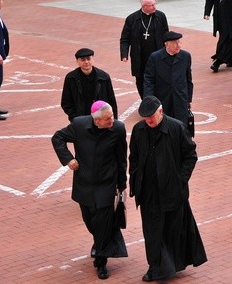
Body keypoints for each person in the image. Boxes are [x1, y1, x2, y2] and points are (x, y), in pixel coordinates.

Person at [129, 96, 207, 281]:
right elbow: (134, 157)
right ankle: (155, 267)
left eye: (151, 117)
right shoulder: (138, 130)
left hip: (172, 191)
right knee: (152, 232)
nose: (148, 121)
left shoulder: (176, 128)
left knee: (172, 230)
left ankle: (172, 265)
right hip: (148, 192)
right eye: (145, 118)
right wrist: (135, 178)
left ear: (160, 112)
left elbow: (190, 156)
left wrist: (180, 180)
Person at [51, 101, 128, 280]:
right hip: (84, 184)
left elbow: (121, 157)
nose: (112, 120)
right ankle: (99, 244)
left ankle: (101, 262)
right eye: (108, 119)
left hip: (106, 184)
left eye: (112, 117)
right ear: (96, 120)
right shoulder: (78, 125)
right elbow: (57, 138)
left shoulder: (117, 129)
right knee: (90, 222)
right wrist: (68, 159)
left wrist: (122, 184)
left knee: (103, 223)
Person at [119, 0, 169, 98]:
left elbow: (166, 35)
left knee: (159, 78)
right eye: (152, 5)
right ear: (144, 6)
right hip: (140, 56)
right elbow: (125, 38)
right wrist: (124, 54)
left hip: (157, 55)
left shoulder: (160, 16)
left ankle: (157, 101)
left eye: (155, 4)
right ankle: (145, 101)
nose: (155, 7)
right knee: (141, 80)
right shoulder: (132, 19)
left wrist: (168, 50)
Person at [143, 31, 193, 124]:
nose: (178, 45)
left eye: (179, 42)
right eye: (175, 43)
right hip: (163, 99)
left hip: (180, 99)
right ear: (166, 44)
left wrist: (188, 99)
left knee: (181, 127)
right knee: (164, 125)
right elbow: (148, 80)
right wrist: (149, 100)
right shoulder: (155, 57)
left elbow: (188, 79)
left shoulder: (185, 56)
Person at [61, 48, 118, 122]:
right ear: (77, 61)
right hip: (80, 119)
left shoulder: (104, 77)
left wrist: (113, 120)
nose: (86, 62)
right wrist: (74, 118)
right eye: (83, 60)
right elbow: (66, 102)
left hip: (101, 118)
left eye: (88, 59)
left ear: (92, 59)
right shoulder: (71, 78)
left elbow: (111, 100)